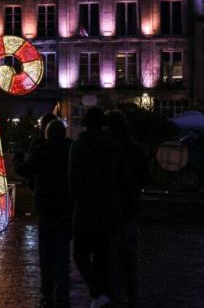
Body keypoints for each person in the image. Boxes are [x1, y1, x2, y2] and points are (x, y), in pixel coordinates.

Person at [69, 107, 125, 308]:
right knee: (103, 257)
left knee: (80, 254)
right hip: (109, 210)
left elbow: (74, 181)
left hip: (85, 210)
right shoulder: (115, 147)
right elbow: (122, 177)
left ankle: (98, 293)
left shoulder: (79, 146)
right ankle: (104, 297)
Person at [16, 120, 72, 308]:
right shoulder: (71, 148)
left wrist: (18, 157)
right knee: (63, 252)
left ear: (47, 133)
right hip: (66, 204)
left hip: (46, 204)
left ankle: (47, 291)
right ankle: (63, 293)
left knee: (47, 252)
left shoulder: (41, 150)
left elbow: (23, 170)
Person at [105, 110, 151, 308]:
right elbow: (146, 177)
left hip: (108, 210)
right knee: (129, 258)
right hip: (129, 209)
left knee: (108, 257)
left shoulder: (105, 150)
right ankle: (131, 296)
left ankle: (113, 296)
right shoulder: (134, 149)